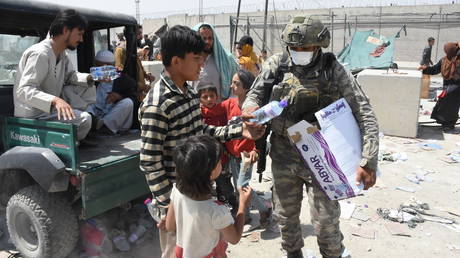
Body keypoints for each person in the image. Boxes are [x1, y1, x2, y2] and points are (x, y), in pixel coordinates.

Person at [242, 16, 379, 258]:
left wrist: (368, 160)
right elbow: (254, 96)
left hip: (322, 155)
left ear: (318, 46)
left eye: (305, 48)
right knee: (285, 218)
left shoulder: (333, 69)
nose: (299, 52)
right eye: (294, 48)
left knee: (326, 223)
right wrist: (250, 110)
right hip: (284, 154)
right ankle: (293, 253)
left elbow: (364, 111)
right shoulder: (277, 64)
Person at [138, 25, 264, 258]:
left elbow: (201, 131)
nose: (202, 65)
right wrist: (168, 207)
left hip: (197, 193)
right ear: (176, 61)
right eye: (196, 59)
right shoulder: (158, 103)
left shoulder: (187, 93)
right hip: (177, 203)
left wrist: (240, 130)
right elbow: (149, 162)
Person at [165, 135, 252, 258]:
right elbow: (234, 238)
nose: (221, 162)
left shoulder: (176, 191)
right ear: (211, 172)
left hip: (181, 252)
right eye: (219, 161)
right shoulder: (216, 211)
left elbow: (170, 226)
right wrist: (242, 205)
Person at [14, 9, 92, 141]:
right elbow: (24, 90)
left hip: (48, 112)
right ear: (65, 30)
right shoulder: (40, 53)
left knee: (87, 99)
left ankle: (70, 145)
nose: (81, 39)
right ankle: (68, 147)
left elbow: (70, 76)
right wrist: (55, 101)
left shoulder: (61, 54)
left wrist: (92, 78)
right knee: (85, 119)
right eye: (79, 34)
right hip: (33, 115)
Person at [224, 69, 271, 226]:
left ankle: (264, 209)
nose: (232, 86)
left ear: (246, 88)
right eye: (232, 82)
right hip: (232, 154)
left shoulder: (253, 111)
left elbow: (261, 135)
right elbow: (212, 109)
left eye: (236, 83)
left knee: (242, 186)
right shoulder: (230, 104)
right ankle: (247, 216)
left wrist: (256, 151)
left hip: (247, 155)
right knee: (239, 185)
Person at [198, 83, 238, 214]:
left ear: (217, 97)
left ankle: (234, 206)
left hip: (222, 157)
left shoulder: (222, 111)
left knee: (224, 184)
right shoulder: (197, 114)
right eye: (205, 97)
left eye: (211, 96)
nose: (209, 99)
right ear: (199, 99)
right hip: (205, 157)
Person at [86, 50, 134, 134]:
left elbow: (134, 98)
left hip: (112, 115)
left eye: (108, 65)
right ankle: (94, 125)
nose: (104, 69)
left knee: (128, 102)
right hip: (95, 114)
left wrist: (119, 97)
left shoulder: (124, 80)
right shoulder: (90, 78)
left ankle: (104, 127)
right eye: (100, 65)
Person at [419, 42, 460, 132]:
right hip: (447, 86)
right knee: (443, 104)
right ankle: (445, 124)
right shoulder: (444, 60)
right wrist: (425, 69)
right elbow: (435, 69)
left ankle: (449, 124)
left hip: (457, 87)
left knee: (451, 106)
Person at [192, 23, 239, 99]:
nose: (207, 41)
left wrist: (228, 105)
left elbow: (236, 85)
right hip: (196, 108)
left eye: (210, 38)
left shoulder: (226, 59)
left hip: (220, 108)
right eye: (204, 38)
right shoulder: (190, 61)